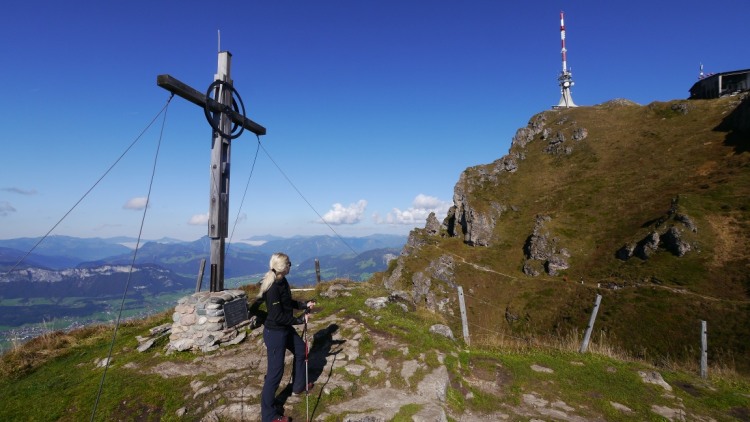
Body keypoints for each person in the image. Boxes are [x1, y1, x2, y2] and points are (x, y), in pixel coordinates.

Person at [258, 252, 316, 422]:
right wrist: (299, 320)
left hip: (284, 329)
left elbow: (287, 302)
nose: (291, 265)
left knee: (301, 349)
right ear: (283, 267)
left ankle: (298, 386)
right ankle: (268, 416)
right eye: (289, 263)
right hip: (275, 333)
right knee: (275, 374)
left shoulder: (282, 281)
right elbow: (277, 316)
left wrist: (304, 305)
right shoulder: (273, 288)